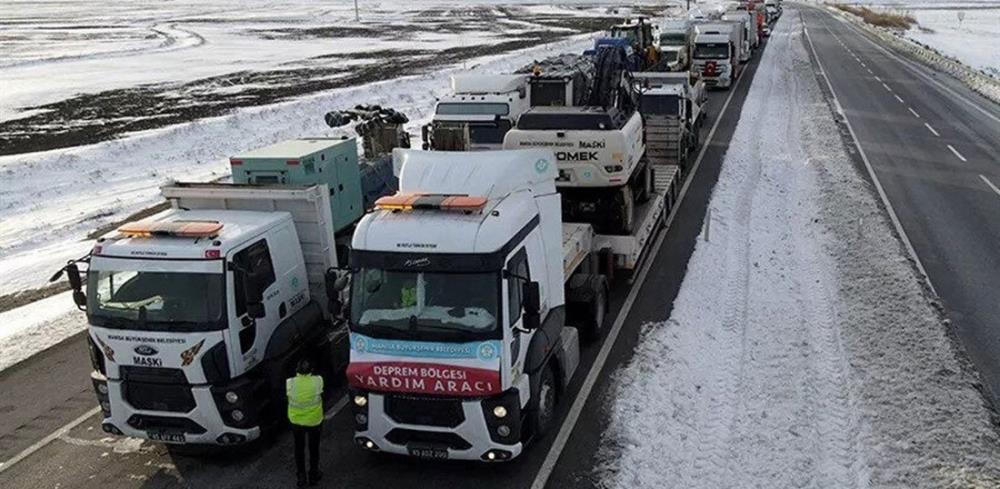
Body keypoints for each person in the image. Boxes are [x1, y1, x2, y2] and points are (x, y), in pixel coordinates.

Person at [287, 359, 324, 487]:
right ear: (311, 370)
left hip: (296, 421)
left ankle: (301, 477)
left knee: (299, 449)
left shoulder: (290, 383)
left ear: (297, 370)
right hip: (314, 420)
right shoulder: (318, 381)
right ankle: (314, 474)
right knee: (314, 449)